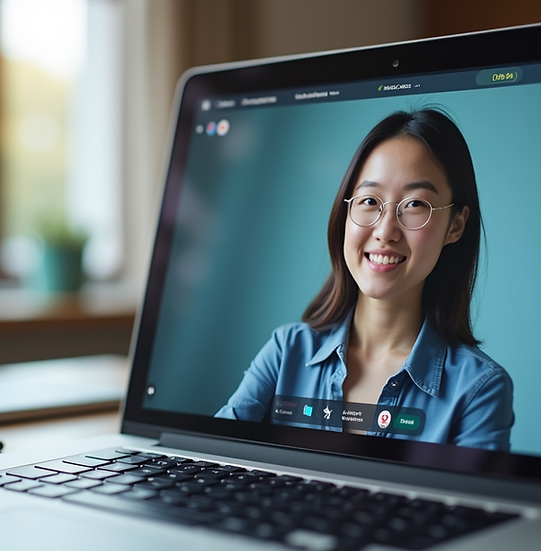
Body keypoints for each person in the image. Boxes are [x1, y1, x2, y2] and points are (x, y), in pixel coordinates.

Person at [215, 109, 514, 451]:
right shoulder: (286, 352)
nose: (385, 231)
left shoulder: (479, 389)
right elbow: (214, 458)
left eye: (415, 204)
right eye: (370, 201)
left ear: (456, 225)